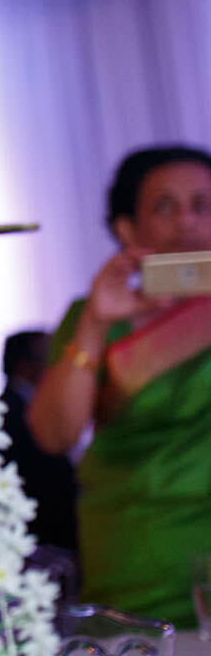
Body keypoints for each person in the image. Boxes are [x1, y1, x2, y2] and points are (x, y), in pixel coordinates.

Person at [28, 145, 211, 626]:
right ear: (127, 227)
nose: (187, 222)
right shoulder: (94, 316)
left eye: (202, 204)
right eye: (165, 206)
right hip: (140, 542)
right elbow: (54, 435)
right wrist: (94, 320)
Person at [0, 330, 79, 555]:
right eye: (52, 358)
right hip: (39, 547)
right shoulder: (6, 415)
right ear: (24, 366)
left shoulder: (38, 406)